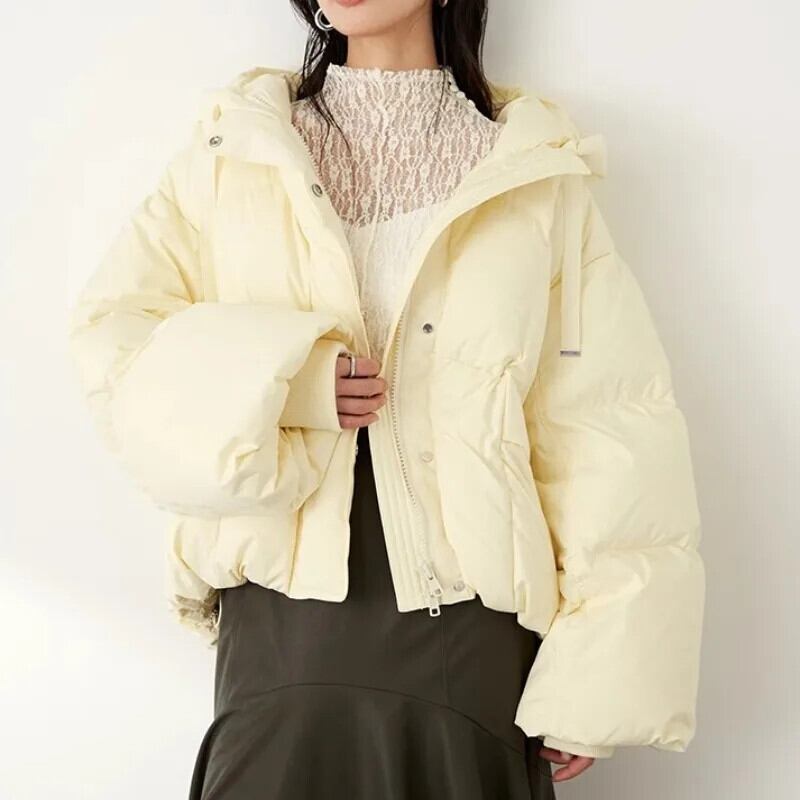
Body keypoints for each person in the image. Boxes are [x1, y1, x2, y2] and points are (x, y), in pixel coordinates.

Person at [66, 1, 706, 797]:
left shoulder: (533, 173)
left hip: (472, 639)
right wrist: (290, 384)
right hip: (280, 626)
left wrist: (600, 675)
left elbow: (604, 424)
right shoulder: (233, 153)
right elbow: (115, 344)